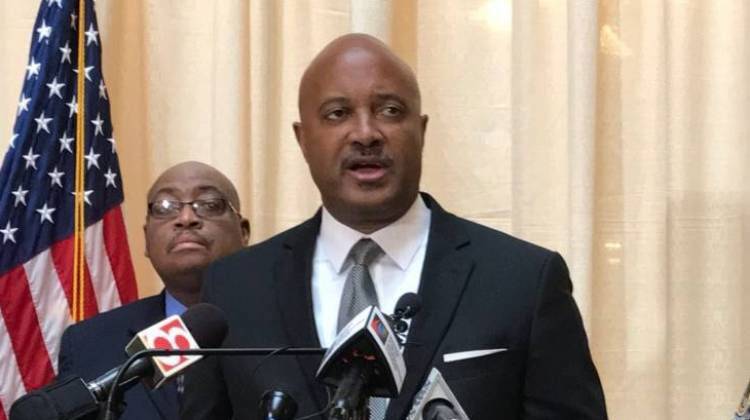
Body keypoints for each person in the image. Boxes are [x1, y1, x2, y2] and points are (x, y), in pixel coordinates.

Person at [182, 34, 607, 419]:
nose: (365, 133)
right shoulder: (235, 288)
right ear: (302, 139)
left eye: (389, 110)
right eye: (337, 113)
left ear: (420, 130)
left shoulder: (522, 281)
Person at [57, 161, 250, 420]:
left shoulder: (286, 327)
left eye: (209, 204)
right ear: (147, 239)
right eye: (165, 207)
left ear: (244, 232)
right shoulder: (88, 344)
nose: (186, 218)